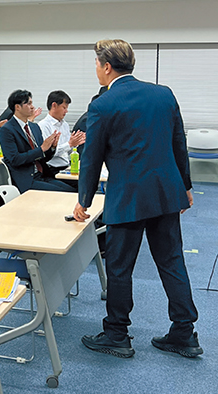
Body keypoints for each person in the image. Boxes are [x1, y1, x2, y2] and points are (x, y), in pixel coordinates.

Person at [76, 39, 202, 358]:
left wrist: (84, 201)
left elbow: (91, 159)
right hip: (165, 194)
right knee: (172, 262)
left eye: (96, 64)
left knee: (119, 268)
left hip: (128, 196)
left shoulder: (102, 104)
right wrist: (185, 186)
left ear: (106, 67)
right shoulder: (164, 94)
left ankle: (117, 333)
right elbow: (178, 144)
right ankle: (184, 332)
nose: (96, 70)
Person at [0, 89, 74, 193]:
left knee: (73, 191)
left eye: (32, 103)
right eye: (28, 104)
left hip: (42, 174)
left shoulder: (34, 127)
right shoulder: (7, 130)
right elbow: (15, 159)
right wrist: (42, 149)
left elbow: (43, 157)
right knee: (65, 193)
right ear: (17, 107)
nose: (32, 107)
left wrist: (51, 148)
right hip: (26, 179)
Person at [37, 90, 86, 179]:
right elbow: (48, 153)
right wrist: (70, 144)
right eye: (64, 107)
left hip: (66, 167)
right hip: (52, 170)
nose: (66, 111)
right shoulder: (43, 126)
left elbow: (68, 150)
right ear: (54, 105)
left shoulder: (65, 125)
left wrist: (77, 143)